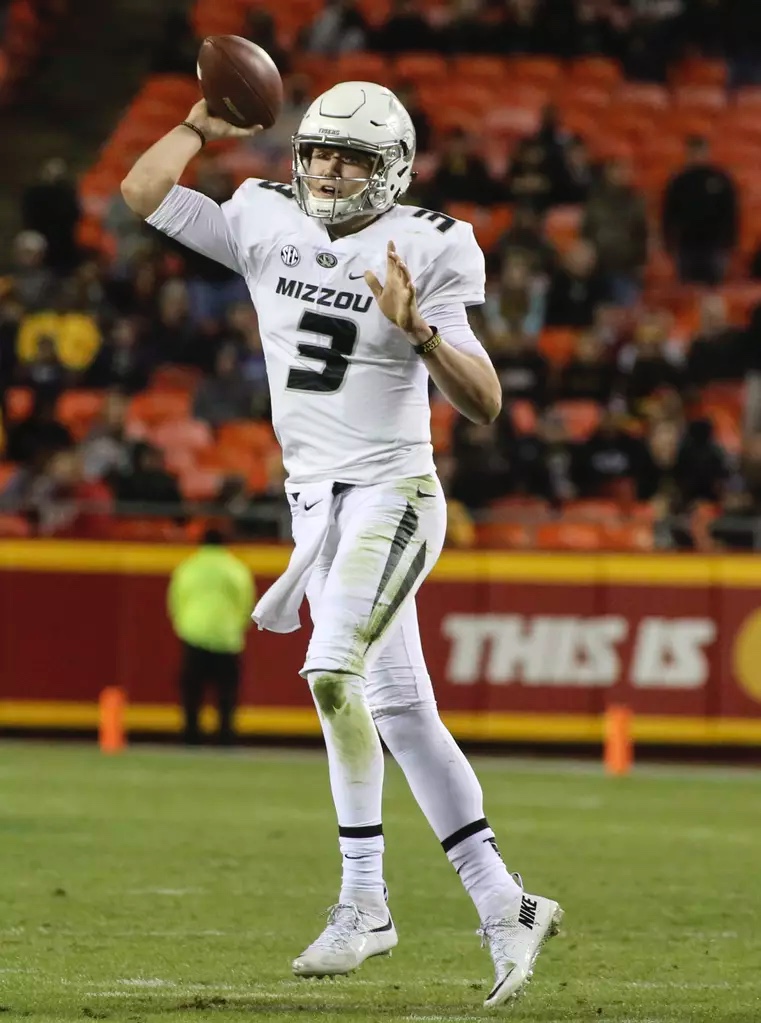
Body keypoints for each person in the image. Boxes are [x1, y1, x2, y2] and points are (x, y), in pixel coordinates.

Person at [121, 79, 563, 1008]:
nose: (327, 168)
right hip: (316, 510)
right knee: (402, 712)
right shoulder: (262, 215)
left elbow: (484, 402)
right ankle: (505, 900)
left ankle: (365, 898)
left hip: (393, 494)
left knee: (330, 671)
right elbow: (143, 192)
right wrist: (198, 125)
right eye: (318, 150)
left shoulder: (432, 242)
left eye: (350, 157)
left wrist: (420, 333)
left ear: (391, 168)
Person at [167, 527, 254, 745]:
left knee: (192, 692)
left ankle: (190, 735)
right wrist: (237, 627)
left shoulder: (188, 567)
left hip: (194, 634)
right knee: (226, 693)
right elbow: (246, 602)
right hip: (227, 638)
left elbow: (176, 599)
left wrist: (183, 626)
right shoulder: (236, 568)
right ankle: (225, 736)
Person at [662, 137, 738, 286]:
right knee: (688, 289)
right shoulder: (679, 182)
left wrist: (729, 241)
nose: (697, 156)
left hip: (715, 244)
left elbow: (731, 212)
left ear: (707, 153)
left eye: (700, 152)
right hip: (687, 245)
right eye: (693, 152)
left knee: (713, 288)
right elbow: (669, 214)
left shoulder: (720, 180)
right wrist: (669, 241)